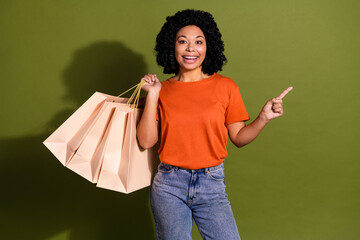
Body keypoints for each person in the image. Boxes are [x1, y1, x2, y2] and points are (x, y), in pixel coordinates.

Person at [136, 9, 292, 240]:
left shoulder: (226, 87)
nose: (191, 48)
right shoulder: (163, 90)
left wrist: (263, 118)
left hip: (211, 183)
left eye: (198, 42)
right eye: (183, 42)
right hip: (168, 184)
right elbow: (146, 141)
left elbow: (238, 138)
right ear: (172, 46)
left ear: (208, 47)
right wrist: (152, 95)